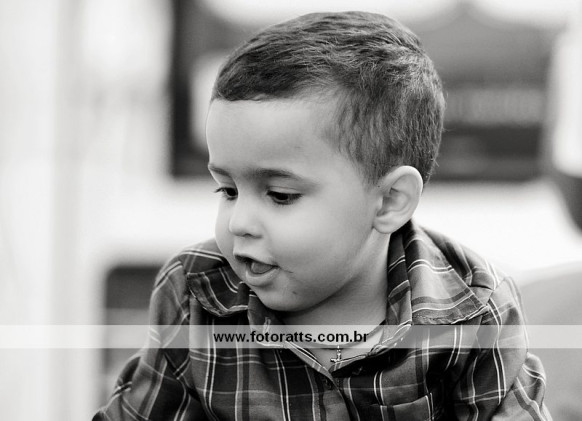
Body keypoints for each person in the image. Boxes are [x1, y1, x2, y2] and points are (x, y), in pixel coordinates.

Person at [94, 11, 551, 420]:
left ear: (390, 201)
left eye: (280, 195)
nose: (238, 223)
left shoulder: (474, 311)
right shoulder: (195, 295)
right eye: (228, 190)